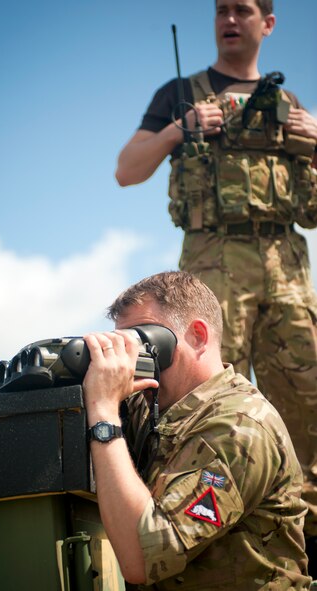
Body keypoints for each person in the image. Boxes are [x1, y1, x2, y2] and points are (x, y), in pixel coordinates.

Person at [115, 0, 317, 566]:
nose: (230, 18)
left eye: (244, 9)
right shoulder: (182, 92)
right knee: (199, 393)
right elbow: (127, 169)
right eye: (221, 9)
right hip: (212, 256)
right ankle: (182, 524)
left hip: (286, 264)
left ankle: (298, 547)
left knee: (306, 409)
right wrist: (181, 128)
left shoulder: (291, 105)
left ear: (267, 23)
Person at [82, 271, 311, 589]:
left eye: (143, 341)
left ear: (197, 336)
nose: (134, 358)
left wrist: (104, 414)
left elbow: (141, 559)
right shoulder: (159, 407)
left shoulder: (239, 426)